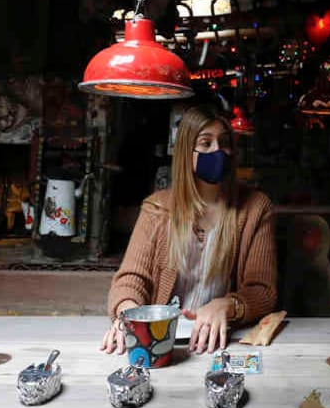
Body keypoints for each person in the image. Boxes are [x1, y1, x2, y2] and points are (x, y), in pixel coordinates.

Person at [101, 104, 276, 356]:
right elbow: (130, 279)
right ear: (186, 152)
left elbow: (263, 291)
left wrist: (228, 305)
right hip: (161, 343)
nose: (218, 151)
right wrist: (129, 316)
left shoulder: (255, 208)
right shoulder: (157, 208)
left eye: (224, 142)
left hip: (221, 341)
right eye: (206, 143)